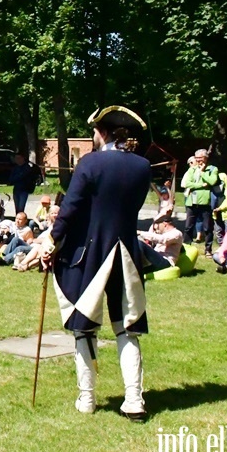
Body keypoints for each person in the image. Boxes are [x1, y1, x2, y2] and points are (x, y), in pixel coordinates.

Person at [40, 105, 151, 421]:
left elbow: (71, 208)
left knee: (84, 328)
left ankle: (87, 399)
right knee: (126, 328)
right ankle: (134, 401)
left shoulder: (90, 163)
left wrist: (52, 240)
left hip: (91, 255)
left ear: (102, 132)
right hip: (128, 254)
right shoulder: (143, 167)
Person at [181, 149, 218, 257]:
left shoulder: (212, 169)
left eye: (200, 158)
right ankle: (185, 247)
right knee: (188, 226)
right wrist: (201, 185)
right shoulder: (192, 169)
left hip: (205, 202)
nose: (197, 161)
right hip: (191, 202)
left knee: (207, 227)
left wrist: (202, 173)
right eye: (196, 158)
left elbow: (212, 181)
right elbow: (187, 183)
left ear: (205, 158)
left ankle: (208, 249)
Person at [212, 172, 227, 245]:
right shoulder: (215, 189)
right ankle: (221, 245)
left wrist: (221, 208)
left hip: (226, 214)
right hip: (216, 213)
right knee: (218, 230)